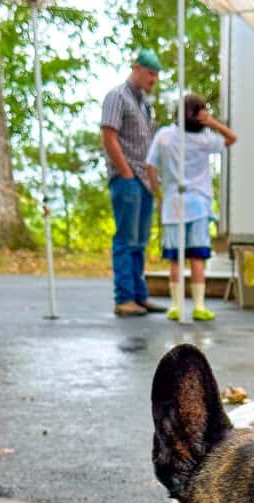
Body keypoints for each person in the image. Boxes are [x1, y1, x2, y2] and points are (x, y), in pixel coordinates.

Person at [146, 94, 237, 322]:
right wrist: (212, 122)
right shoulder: (205, 140)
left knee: (176, 258)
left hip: (173, 203)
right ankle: (199, 304)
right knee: (197, 257)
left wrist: (158, 192)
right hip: (198, 203)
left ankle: (176, 306)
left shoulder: (165, 136)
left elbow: (150, 165)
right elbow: (231, 138)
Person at [101, 49, 165, 317]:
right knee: (126, 239)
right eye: (150, 73)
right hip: (126, 178)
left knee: (140, 240)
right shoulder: (118, 96)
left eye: (156, 75)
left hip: (144, 180)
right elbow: (109, 135)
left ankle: (139, 295)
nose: (153, 79)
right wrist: (125, 171)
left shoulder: (144, 104)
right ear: (136, 68)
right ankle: (124, 297)